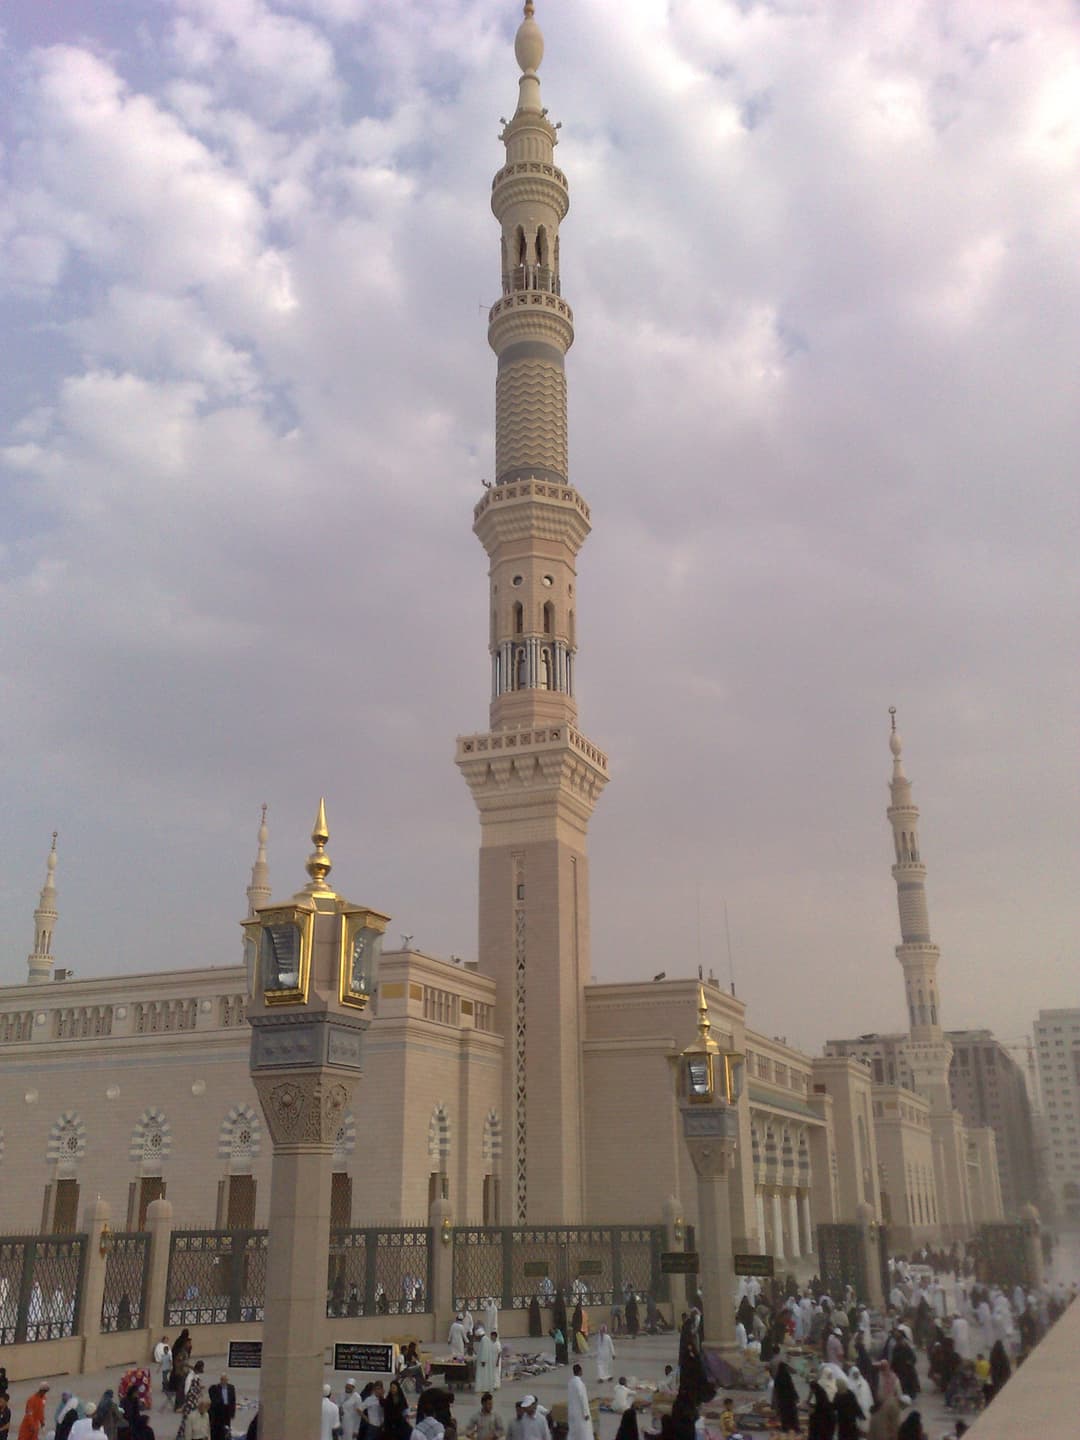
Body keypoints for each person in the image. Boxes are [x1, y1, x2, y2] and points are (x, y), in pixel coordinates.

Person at [770, 1360, 799, 1435]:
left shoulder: (777, 1378)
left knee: (784, 1414)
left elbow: (775, 1390)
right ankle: (795, 1427)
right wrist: (796, 1396)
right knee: (792, 1413)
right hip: (790, 1399)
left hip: (782, 1399)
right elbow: (792, 1387)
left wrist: (774, 1402)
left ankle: (785, 1427)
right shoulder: (787, 1376)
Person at [568, 1367, 593, 1440]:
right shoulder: (580, 1384)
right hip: (580, 1412)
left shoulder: (570, 1382)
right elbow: (583, 1399)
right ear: (579, 1371)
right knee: (584, 1431)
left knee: (573, 1431)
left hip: (572, 1411)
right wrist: (585, 1413)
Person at [207, 1376, 235, 1440]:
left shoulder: (211, 1407)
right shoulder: (218, 1404)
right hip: (219, 1429)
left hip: (215, 1428)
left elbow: (233, 1400)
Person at [474, 1328, 498, 1392]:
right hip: (487, 1361)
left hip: (483, 1362)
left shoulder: (483, 1340)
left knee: (483, 1375)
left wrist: (483, 1360)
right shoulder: (486, 1339)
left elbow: (484, 1351)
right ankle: (486, 1388)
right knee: (486, 1375)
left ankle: (483, 1388)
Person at [154, 1338, 173, 1408]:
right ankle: (165, 1387)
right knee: (164, 1378)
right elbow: (161, 1363)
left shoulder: (169, 1356)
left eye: (166, 1350)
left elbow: (170, 1362)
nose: (165, 1351)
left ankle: (167, 1387)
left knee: (165, 1378)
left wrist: (171, 1367)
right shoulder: (163, 1356)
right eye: (164, 1350)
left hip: (167, 1368)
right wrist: (158, 1369)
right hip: (164, 1369)